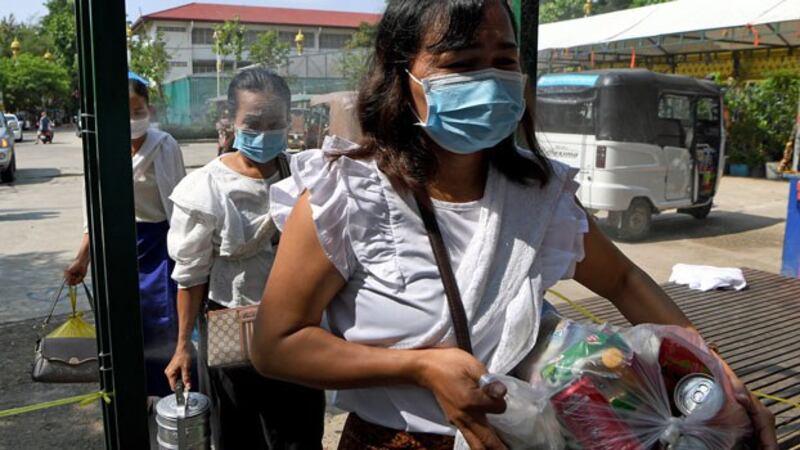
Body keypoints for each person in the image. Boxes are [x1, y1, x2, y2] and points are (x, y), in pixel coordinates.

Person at [250, 1, 777, 449]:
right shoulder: (345, 193)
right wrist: (420, 368)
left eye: (503, 60)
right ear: (400, 76)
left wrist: (718, 376)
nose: (488, 80)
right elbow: (277, 344)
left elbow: (625, 281)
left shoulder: (539, 194)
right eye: (459, 64)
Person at [164, 67, 325, 450]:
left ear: (288, 122)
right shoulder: (204, 188)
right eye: (253, 123)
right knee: (239, 434)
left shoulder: (303, 174)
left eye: (276, 123)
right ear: (231, 122)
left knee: (299, 434)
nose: (265, 132)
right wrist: (183, 344)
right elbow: (190, 276)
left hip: (299, 327)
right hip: (232, 332)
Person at [64, 72, 187, 397]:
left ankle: (166, 394)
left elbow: (181, 209)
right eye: (125, 112)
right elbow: (97, 213)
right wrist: (82, 259)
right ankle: (131, 396)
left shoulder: (164, 146)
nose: (132, 119)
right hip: (116, 250)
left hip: (159, 250)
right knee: (122, 328)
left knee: (161, 324)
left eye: (138, 111)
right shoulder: (102, 148)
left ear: (150, 110)